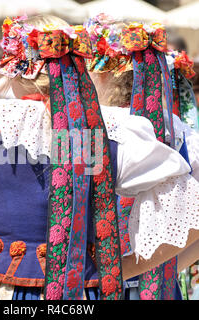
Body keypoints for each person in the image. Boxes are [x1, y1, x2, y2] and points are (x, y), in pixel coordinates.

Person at [0, 14, 199, 300]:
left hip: (1, 290)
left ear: (14, 69)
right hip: (83, 292)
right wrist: (121, 269)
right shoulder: (108, 130)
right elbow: (191, 213)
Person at [84, 14, 199, 300]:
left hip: (89, 281)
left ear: (102, 73)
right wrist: (160, 269)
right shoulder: (182, 132)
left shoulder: (91, 129)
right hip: (157, 285)